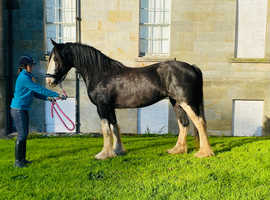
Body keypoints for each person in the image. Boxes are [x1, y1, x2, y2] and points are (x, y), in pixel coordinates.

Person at [10, 55, 65, 168]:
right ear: (25, 66)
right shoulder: (24, 77)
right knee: (22, 135)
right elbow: (39, 89)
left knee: (24, 135)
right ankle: (18, 162)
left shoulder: (27, 76)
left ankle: (22, 160)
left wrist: (47, 98)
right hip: (18, 110)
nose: (33, 67)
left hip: (22, 109)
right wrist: (56, 94)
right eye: (31, 65)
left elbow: (34, 93)